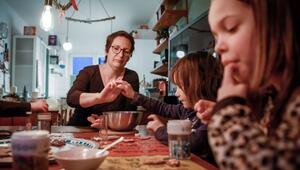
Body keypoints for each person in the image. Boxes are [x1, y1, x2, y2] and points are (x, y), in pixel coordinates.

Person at [195, 0, 300, 169]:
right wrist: (223, 111)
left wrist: (229, 117)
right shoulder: (272, 98)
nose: (218, 47)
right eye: (216, 36)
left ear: (277, 21)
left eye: (231, 28)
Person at [115, 51, 223, 164]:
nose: (176, 93)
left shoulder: (214, 116)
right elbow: (162, 107)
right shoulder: (187, 110)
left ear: (200, 84)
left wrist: (160, 130)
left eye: (180, 87)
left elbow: (193, 143)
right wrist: (133, 95)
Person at [67, 30, 139, 126]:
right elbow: (72, 98)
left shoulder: (131, 77)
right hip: (80, 130)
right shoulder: (88, 72)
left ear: (129, 56)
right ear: (106, 51)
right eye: (116, 48)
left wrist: (107, 121)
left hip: (112, 133)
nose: (121, 55)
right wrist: (100, 97)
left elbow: (130, 113)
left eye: (126, 51)